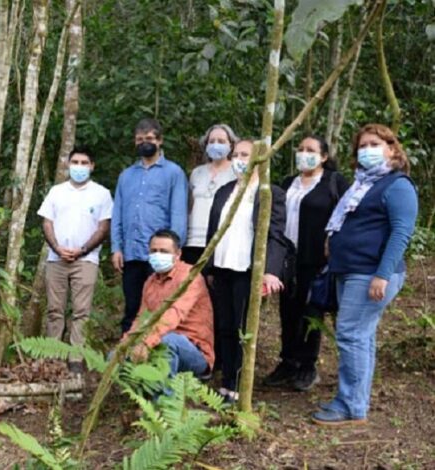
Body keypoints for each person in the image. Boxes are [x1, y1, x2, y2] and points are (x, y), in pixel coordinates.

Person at [312, 124, 417, 426]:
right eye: (362, 145)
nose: (366, 149)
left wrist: (382, 275)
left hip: (371, 272)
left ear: (392, 149)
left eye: (374, 143)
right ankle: (356, 401)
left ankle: (350, 405)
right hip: (351, 270)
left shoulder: (397, 185)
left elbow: (401, 232)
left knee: (351, 334)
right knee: (362, 336)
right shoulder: (362, 185)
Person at [204, 139, 288, 403]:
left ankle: (240, 384)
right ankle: (227, 381)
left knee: (243, 329)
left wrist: (271, 271)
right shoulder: (224, 191)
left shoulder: (268, 193)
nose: (240, 159)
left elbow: (276, 235)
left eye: (245, 154)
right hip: (223, 268)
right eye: (236, 154)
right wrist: (208, 267)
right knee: (225, 327)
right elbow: (213, 231)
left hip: (247, 271)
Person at [263, 136, 349, 392]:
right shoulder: (289, 183)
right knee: (287, 310)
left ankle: (307, 365)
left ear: (323, 156)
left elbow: (346, 216)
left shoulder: (334, 183)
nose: (304, 154)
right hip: (287, 260)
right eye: (300, 149)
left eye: (310, 150)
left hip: (317, 260)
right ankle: (288, 361)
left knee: (311, 311)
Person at [37, 147, 113, 374]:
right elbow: (47, 222)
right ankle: (52, 355)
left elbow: (103, 227)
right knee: (54, 310)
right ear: (68, 164)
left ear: (92, 166)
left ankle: (76, 357)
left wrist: (81, 250)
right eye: (75, 162)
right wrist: (58, 248)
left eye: (84, 162)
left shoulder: (101, 193)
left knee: (81, 311)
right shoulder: (57, 192)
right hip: (56, 259)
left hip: (86, 260)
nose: (79, 167)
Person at [111, 118, 189, 334]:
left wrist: (174, 251)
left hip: (160, 255)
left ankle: (156, 357)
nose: (144, 143)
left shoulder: (173, 173)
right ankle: (125, 355)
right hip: (132, 253)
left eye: (149, 139)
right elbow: (117, 213)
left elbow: (178, 214)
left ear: (160, 141)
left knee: (159, 307)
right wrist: (116, 247)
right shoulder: (126, 176)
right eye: (139, 139)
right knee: (132, 306)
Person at [125, 230, 214, 379]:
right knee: (115, 356)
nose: (158, 255)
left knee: (167, 342)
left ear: (178, 254)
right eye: (154, 251)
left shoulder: (190, 277)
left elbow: (174, 314)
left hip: (194, 350)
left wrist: (146, 343)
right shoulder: (150, 282)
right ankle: (138, 395)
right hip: (157, 339)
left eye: (164, 251)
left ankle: (164, 399)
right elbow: (141, 318)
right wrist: (126, 345)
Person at [182, 124, 238, 265]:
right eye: (211, 141)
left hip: (222, 239)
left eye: (221, 141)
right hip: (193, 241)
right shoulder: (197, 173)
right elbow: (189, 205)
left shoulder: (236, 172)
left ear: (231, 145)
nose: (215, 145)